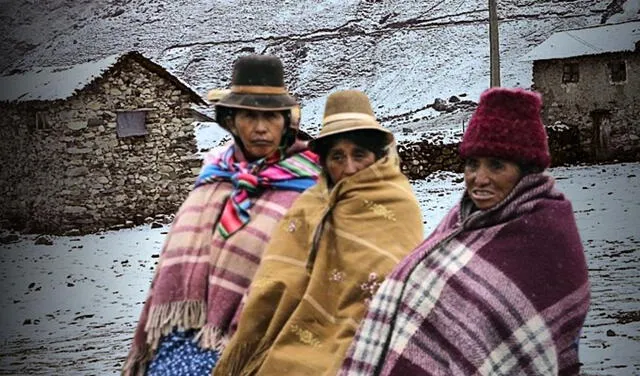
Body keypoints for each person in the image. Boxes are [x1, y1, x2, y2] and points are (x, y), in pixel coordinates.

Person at [339, 87, 591, 376]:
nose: (479, 178)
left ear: (527, 171)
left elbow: (519, 339)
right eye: (472, 164)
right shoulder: (463, 219)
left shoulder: (545, 237)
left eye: (496, 165)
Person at [121, 54, 321, 376]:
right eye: (248, 115)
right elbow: (177, 259)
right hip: (178, 337)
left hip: (257, 348)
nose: (260, 128)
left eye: (270, 117)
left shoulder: (310, 187)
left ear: (286, 122)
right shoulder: (215, 175)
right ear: (230, 121)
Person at [213, 90, 424, 376]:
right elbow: (276, 279)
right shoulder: (310, 205)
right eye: (337, 156)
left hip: (368, 341)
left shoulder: (397, 205)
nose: (348, 167)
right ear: (324, 162)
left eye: (359, 154)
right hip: (296, 333)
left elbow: (395, 289)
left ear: (376, 156)